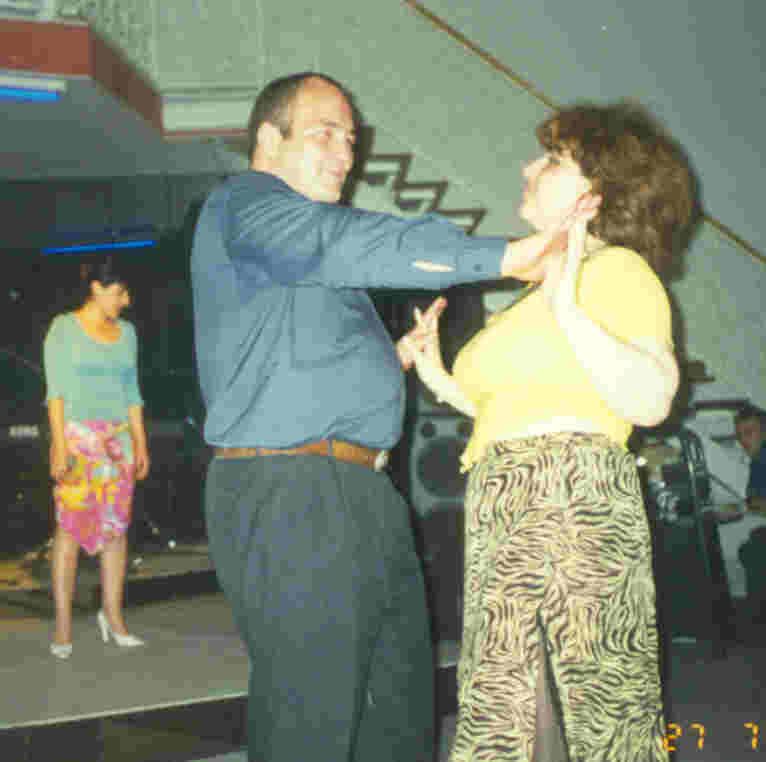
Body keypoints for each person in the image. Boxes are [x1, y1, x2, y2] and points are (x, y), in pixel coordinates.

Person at [190, 71, 595, 762]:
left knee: (399, 712)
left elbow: (303, 348)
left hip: (359, 493)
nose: (345, 153)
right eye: (324, 133)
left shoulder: (297, 251)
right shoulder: (248, 204)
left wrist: (394, 360)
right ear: (268, 139)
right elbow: (336, 243)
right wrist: (503, 257)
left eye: (351, 139)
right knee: (311, 720)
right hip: (291, 490)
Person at [405, 102, 694, 761]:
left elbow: (652, 399)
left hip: (573, 490)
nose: (528, 167)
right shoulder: (537, 294)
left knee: (610, 717)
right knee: (498, 709)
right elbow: (514, 407)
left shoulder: (617, 271)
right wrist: (436, 374)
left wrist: (567, 306)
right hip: (503, 493)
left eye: (554, 160)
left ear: (597, 193)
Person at [44, 257, 150, 659]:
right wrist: (59, 444)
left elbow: (133, 394)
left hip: (117, 443)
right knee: (69, 531)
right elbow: (55, 394)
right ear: (97, 289)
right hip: (78, 441)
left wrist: (140, 443)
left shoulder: (128, 334)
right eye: (120, 292)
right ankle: (63, 626)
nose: (126, 300)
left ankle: (113, 616)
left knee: (116, 531)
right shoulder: (63, 329)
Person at [735, 405, 766, 513]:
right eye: (739, 435)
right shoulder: (756, 461)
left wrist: (741, 507)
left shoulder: (761, 460)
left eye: (748, 433)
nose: (742, 441)